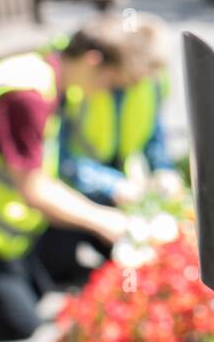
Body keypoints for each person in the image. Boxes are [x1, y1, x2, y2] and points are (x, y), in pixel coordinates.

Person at [0, 14, 162, 341]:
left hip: (17, 233)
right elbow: (33, 188)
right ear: (92, 61)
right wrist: (102, 220)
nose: (105, 92)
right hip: (8, 234)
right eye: (109, 82)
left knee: (41, 290)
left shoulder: (53, 76)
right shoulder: (27, 95)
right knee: (21, 325)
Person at [57, 13, 178, 207]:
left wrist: (163, 169)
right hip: (75, 191)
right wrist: (111, 184)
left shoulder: (150, 82)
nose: (140, 81)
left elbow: (154, 131)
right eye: (135, 76)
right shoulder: (80, 79)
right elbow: (59, 154)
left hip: (121, 184)